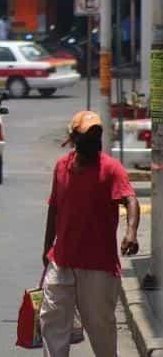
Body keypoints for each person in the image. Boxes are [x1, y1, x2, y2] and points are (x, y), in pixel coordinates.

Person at [40, 111, 140, 357]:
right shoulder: (61, 167)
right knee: (52, 323)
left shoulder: (111, 169)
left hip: (98, 267)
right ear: (73, 137)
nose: (94, 141)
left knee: (101, 330)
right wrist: (46, 249)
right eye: (88, 136)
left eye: (97, 135)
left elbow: (130, 200)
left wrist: (131, 232)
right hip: (61, 261)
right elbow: (54, 207)